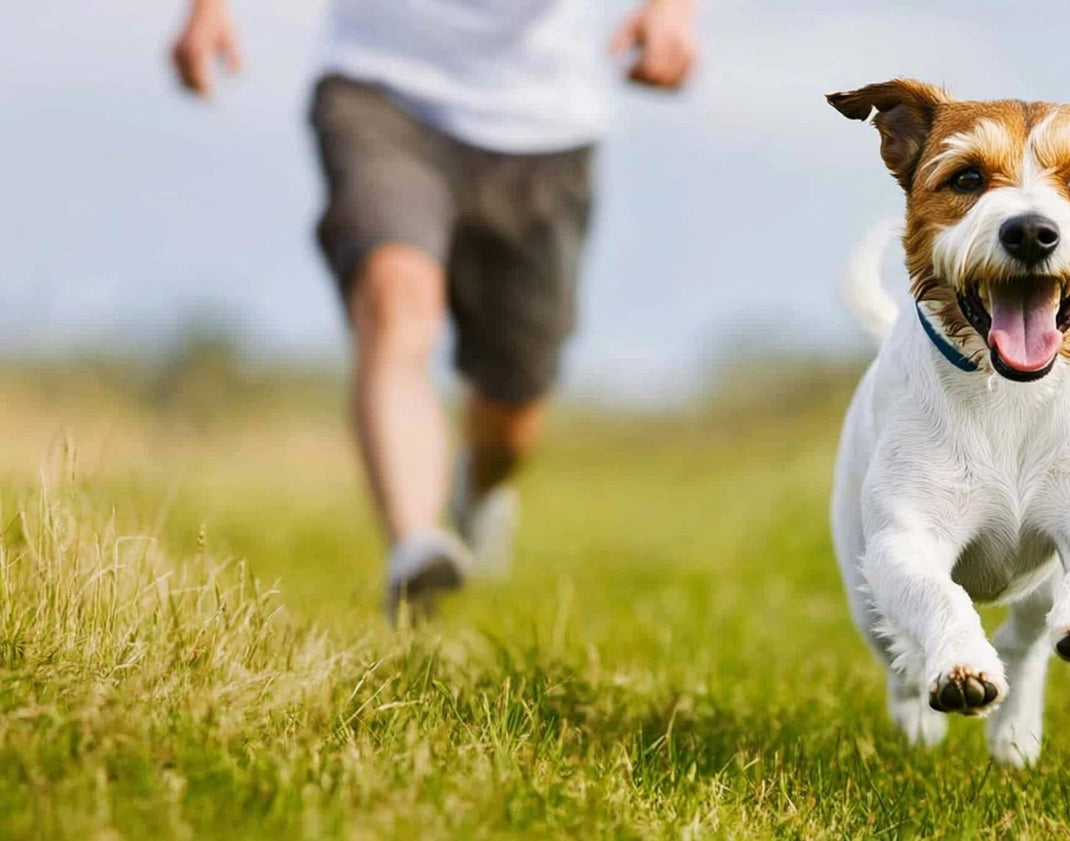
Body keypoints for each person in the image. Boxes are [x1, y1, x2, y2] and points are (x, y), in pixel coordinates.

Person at [169, 0, 700, 621]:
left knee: (514, 417)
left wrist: (671, 10)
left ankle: (478, 486)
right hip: (380, 90)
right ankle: (414, 542)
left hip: (544, 124)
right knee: (396, 302)